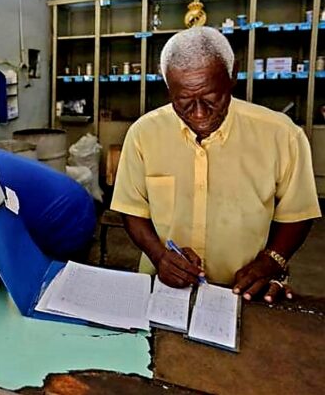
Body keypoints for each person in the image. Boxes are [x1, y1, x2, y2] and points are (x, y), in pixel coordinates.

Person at [111, 27, 321, 304]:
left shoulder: (282, 135)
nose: (198, 114)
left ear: (232, 77)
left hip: (245, 289)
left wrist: (272, 261)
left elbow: (298, 212)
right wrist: (160, 256)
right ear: (168, 88)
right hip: (164, 286)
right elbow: (132, 209)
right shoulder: (143, 134)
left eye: (211, 99)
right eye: (184, 102)